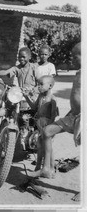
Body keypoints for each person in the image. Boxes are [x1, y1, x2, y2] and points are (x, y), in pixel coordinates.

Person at [27, 42, 81, 180]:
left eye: (76, 56)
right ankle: (46, 169)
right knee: (47, 132)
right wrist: (72, 111)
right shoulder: (80, 72)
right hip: (74, 115)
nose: (73, 59)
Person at [23, 75, 58, 175]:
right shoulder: (40, 96)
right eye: (38, 84)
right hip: (39, 127)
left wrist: (48, 131)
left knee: (48, 149)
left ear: (50, 86)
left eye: (41, 84)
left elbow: (53, 116)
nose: (39, 86)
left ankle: (51, 169)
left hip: (47, 128)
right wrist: (26, 97)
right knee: (40, 146)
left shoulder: (52, 99)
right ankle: (39, 167)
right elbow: (34, 107)